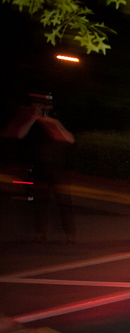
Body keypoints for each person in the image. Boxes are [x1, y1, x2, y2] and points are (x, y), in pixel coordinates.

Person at [4, 94, 77, 243]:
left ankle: (70, 233)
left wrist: (52, 122)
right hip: (40, 170)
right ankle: (40, 232)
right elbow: (20, 134)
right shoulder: (32, 125)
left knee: (64, 203)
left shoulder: (55, 123)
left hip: (57, 171)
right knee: (40, 204)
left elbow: (70, 138)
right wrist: (33, 118)